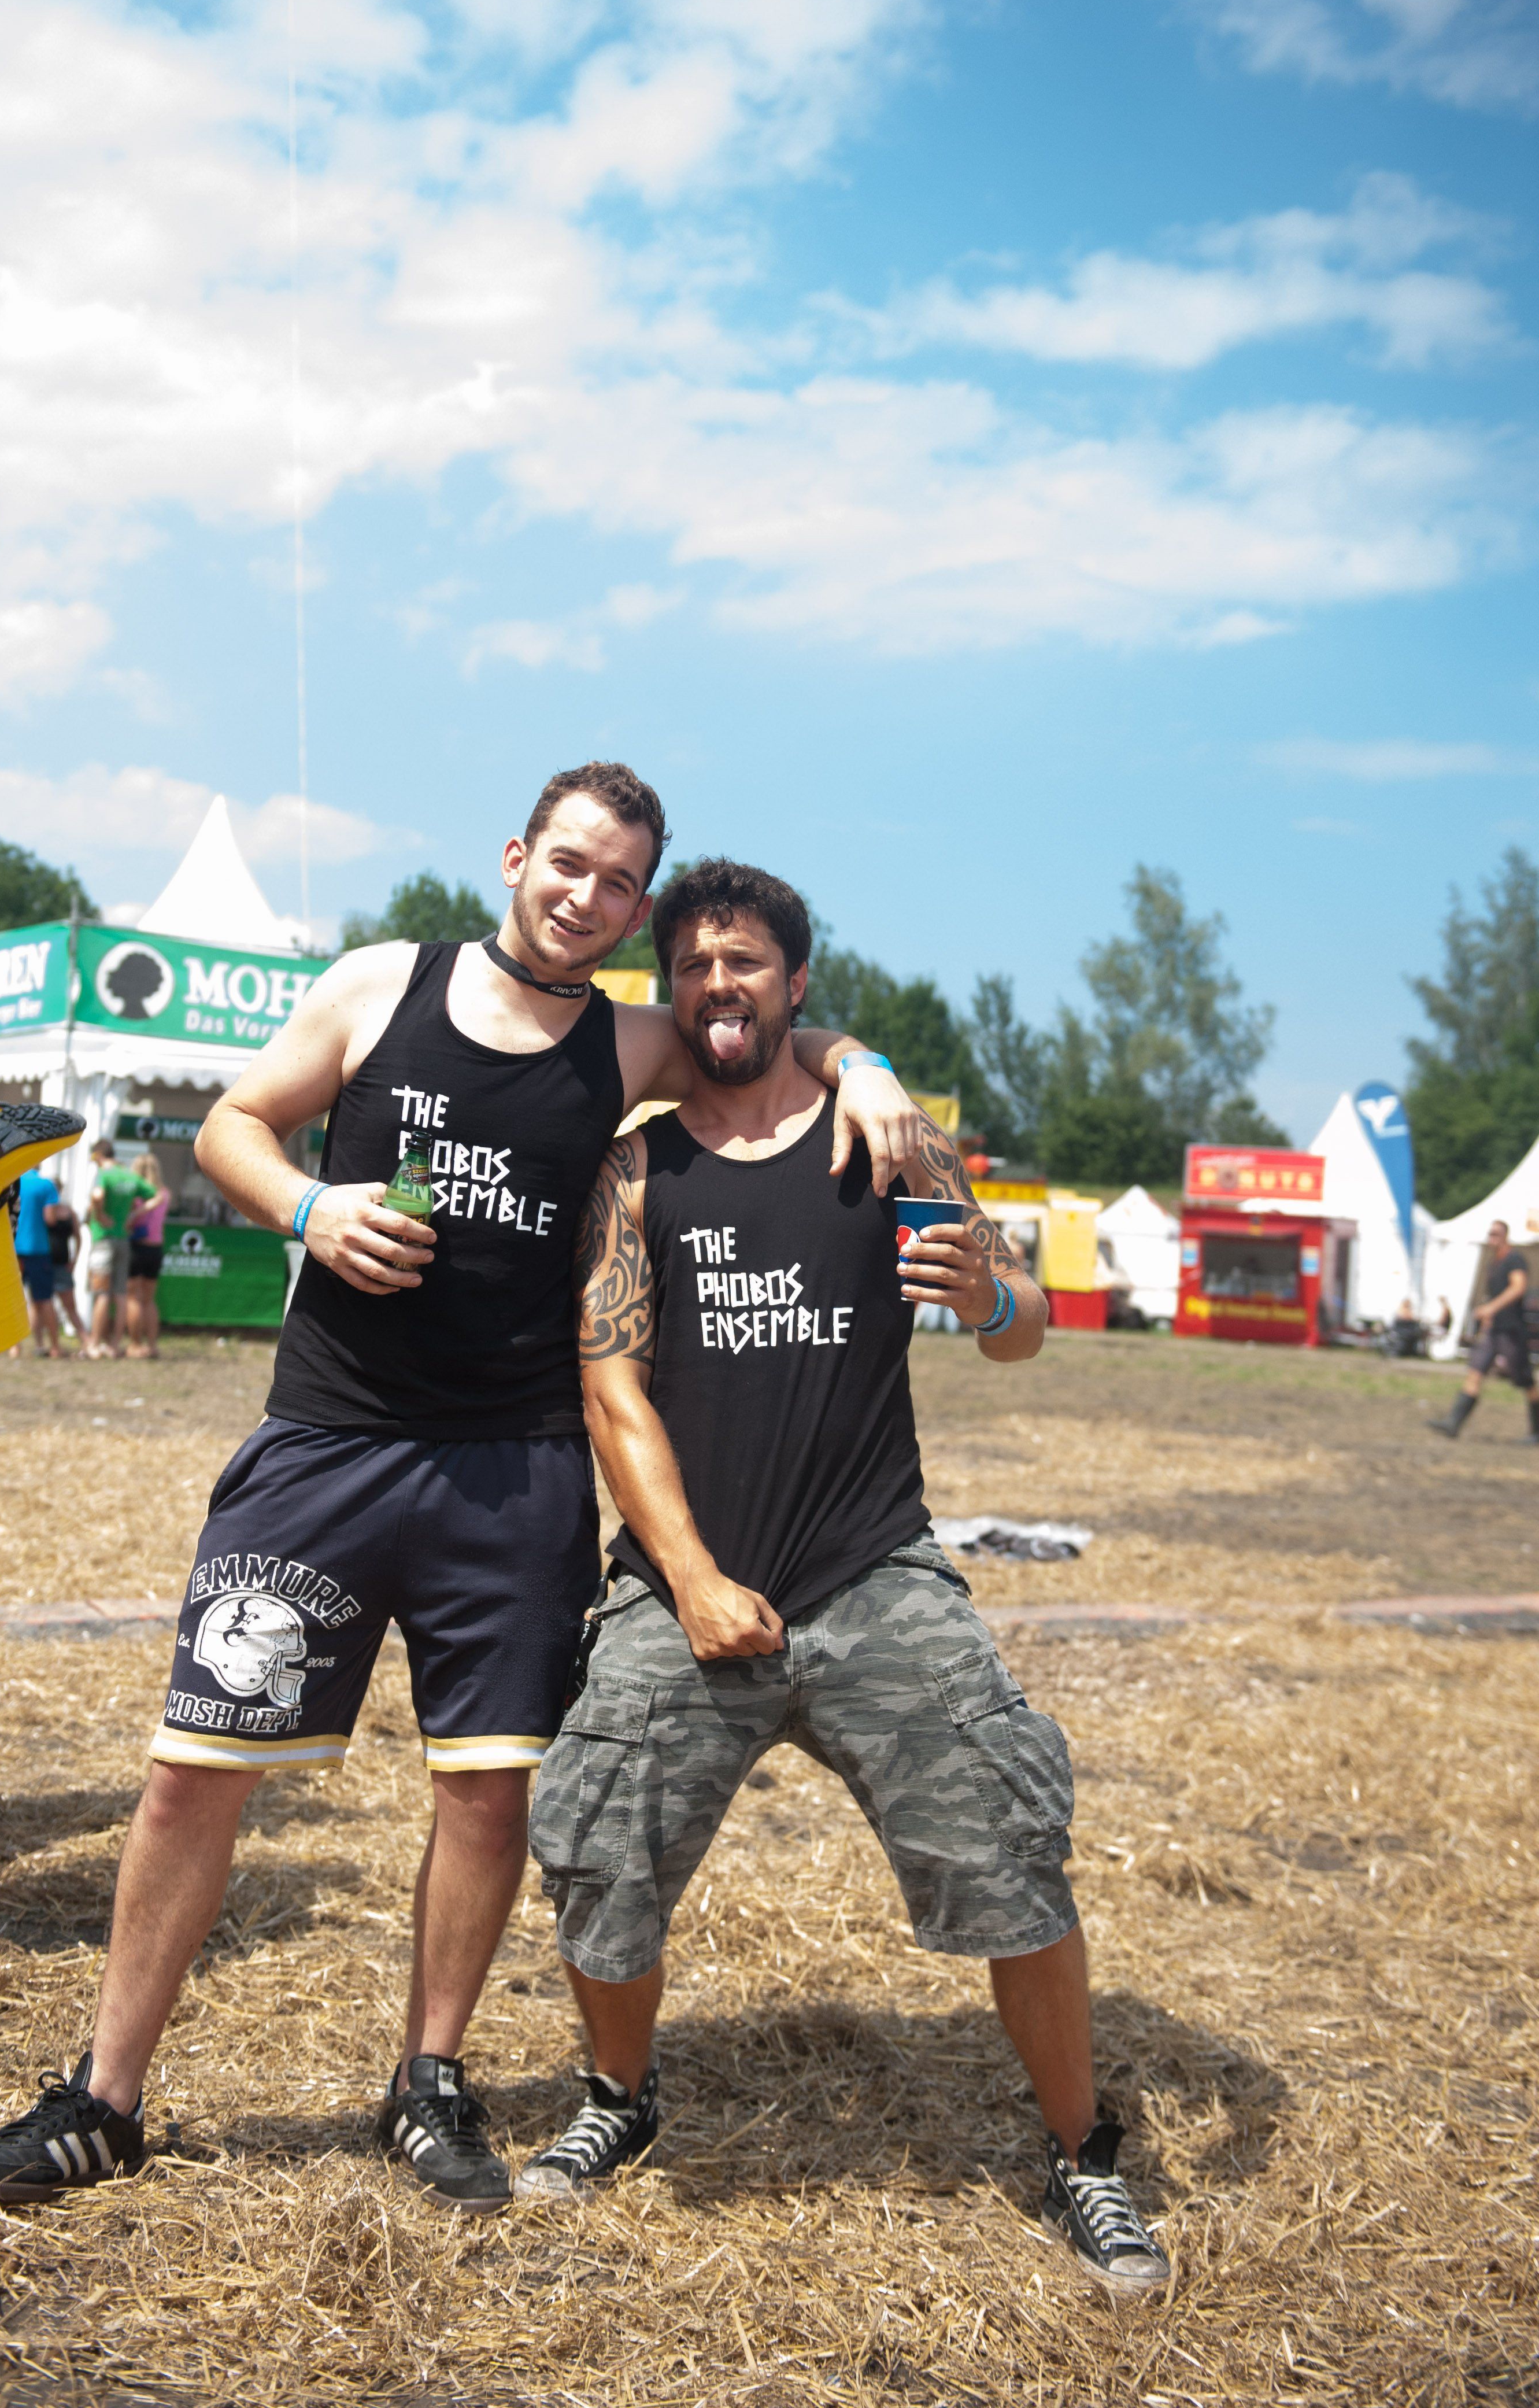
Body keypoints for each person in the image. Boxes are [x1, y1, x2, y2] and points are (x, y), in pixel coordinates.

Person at [0, 762, 923, 2214]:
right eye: (568, 863)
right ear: (517, 855)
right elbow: (232, 1125)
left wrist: (870, 1067)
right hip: (325, 1446)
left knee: (485, 1791)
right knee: (195, 1773)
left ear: (636, 909)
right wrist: (311, 1208)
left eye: (617, 882)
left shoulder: (628, 1042)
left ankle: (429, 2079)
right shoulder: (380, 984)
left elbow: (756, 1027)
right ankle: (105, 2097)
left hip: (516, 1469)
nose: (585, 896)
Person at [518, 858, 1170, 2296]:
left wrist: (991, 1296)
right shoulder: (638, 1170)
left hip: (875, 1575)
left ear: (795, 982)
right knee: (595, 1847)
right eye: (694, 966)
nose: (718, 986)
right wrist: (691, 1579)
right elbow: (611, 1392)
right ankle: (619, 2098)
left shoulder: (883, 1142)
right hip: (688, 1590)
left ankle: (1084, 2156)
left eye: (745, 962)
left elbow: (1025, 1319)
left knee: (1010, 1851)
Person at [1428, 1220, 1539, 1442]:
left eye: (1496, 1234)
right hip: (1494, 1331)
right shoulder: (1494, 1263)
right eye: (1490, 1234)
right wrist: (1488, 1318)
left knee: (1526, 1381)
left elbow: (1518, 1287)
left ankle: (1537, 1431)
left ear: (1505, 1236)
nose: (1492, 1238)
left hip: (1512, 1332)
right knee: (1475, 1371)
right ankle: (1453, 1423)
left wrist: (1492, 1308)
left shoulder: (1514, 1259)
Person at [84, 1137, 153, 1361]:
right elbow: (157, 1195)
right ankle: (114, 1345)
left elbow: (97, 1196)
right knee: (121, 1295)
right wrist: (134, 1215)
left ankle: (95, 1344)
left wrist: (99, 1215)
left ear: (98, 1156)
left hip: (104, 1239)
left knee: (102, 1294)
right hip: (123, 1240)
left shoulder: (104, 1174)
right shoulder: (129, 1175)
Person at [16, 1163, 65, 1357]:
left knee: (14, 1299)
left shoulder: (14, 1181)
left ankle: (15, 1347)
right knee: (44, 1299)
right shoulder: (46, 1185)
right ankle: (55, 1346)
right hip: (37, 1248)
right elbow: (50, 1218)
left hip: (14, 1248)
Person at [125, 1153, 169, 1360]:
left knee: (133, 1298)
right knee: (149, 1300)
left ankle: (136, 1344)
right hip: (156, 1249)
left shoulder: (135, 1196)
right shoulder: (164, 1194)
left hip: (136, 1248)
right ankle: (152, 1345)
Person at [49, 1194, 84, 1342]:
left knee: (70, 1306)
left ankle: (86, 1340)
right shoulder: (44, 1211)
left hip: (62, 1265)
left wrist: (74, 1261)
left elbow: (78, 1237)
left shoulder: (69, 1212)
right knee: (43, 1306)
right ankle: (49, 1343)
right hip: (45, 1263)